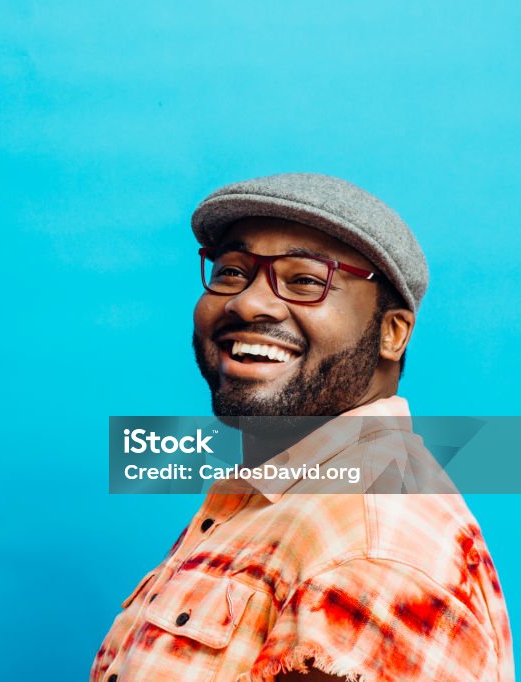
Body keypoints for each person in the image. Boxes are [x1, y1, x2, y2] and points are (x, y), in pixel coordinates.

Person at [90, 174, 513, 681]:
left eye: (306, 280)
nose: (247, 303)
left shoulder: (369, 548)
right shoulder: (279, 499)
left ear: (392, 332)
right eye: (231, 271)